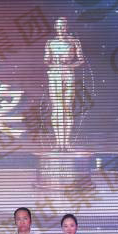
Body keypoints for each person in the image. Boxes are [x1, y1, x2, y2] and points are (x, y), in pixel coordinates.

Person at [44, 16, 85, 151]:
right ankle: (58, 143)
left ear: (66, 27)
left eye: (63, 25)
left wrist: (69, 65)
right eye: (59, 25)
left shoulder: (74, 42)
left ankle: (66, 143)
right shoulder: (50, 43)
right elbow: (46, 60)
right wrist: (53, 62)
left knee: (67, 107)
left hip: (68, 75)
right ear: (55, 27)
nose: (61, 28)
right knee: (57, 108)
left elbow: (81, 60)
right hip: (54, 75)